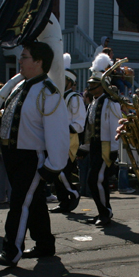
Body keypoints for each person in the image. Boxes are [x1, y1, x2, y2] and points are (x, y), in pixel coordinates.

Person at [0, 41, 69, 266]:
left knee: (19, 204)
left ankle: (11, 250)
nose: (20, 61)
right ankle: (45, 244)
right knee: (33, 203)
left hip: (32, 158)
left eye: (24, 57)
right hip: (15, 155)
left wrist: (54, 164)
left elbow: (58, 132)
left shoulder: (49, 92)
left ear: (38, 62)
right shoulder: (20, 86)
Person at [84, 52, 123, 227]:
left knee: (96, 180)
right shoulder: (94, 102)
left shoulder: (111, 102)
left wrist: (114, 150)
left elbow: (116, 127)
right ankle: (103, 211)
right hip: (95, 146)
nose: (90, 87)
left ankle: (105, 212)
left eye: (94, 84)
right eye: (90, 84)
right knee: (97, 180)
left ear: (103, 85)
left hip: (106, 147)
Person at [50, 53, 87, 214]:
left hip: (68, 138)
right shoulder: (57, 97)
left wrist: (62, 128)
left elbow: (79, 123)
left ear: (70, 83)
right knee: (55, 171)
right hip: (57, 138)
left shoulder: (74, 98)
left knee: (61, 171)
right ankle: (63, 201)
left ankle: (72, 193)